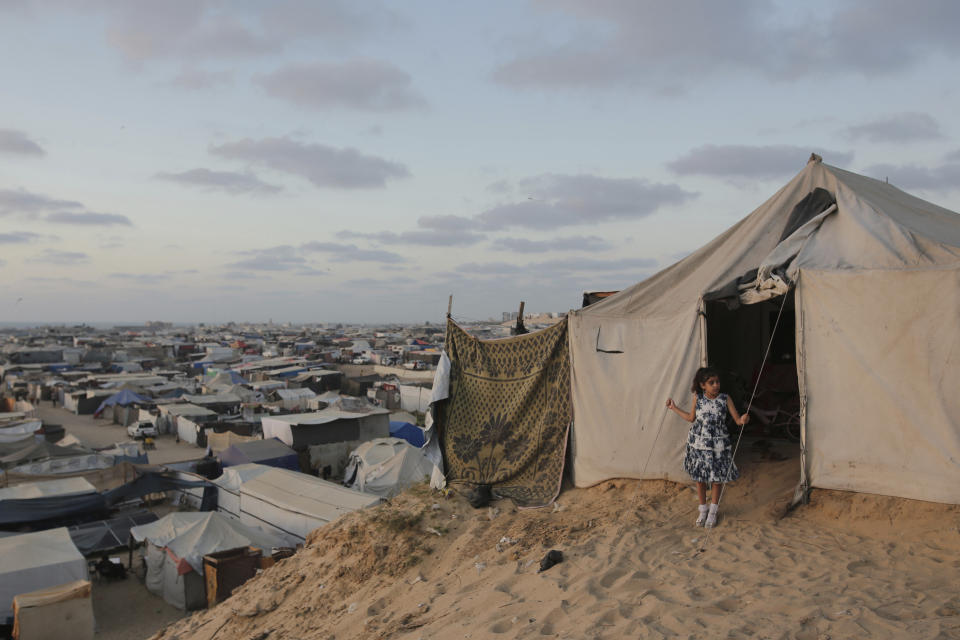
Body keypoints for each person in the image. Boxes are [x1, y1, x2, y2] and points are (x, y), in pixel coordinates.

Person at [666, 367, 748, 528]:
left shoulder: (725, 398)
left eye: (717, 382)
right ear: (703, 385)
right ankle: (703, 510)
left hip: (718, 444)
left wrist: (744, 419)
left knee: (717, 479)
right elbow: (691, 418)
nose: (716, 385)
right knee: (700, 478)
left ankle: (713, 511)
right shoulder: (698, 398)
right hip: (699, 444)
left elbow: (738, 420)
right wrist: (673, 408)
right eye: (712, 383)